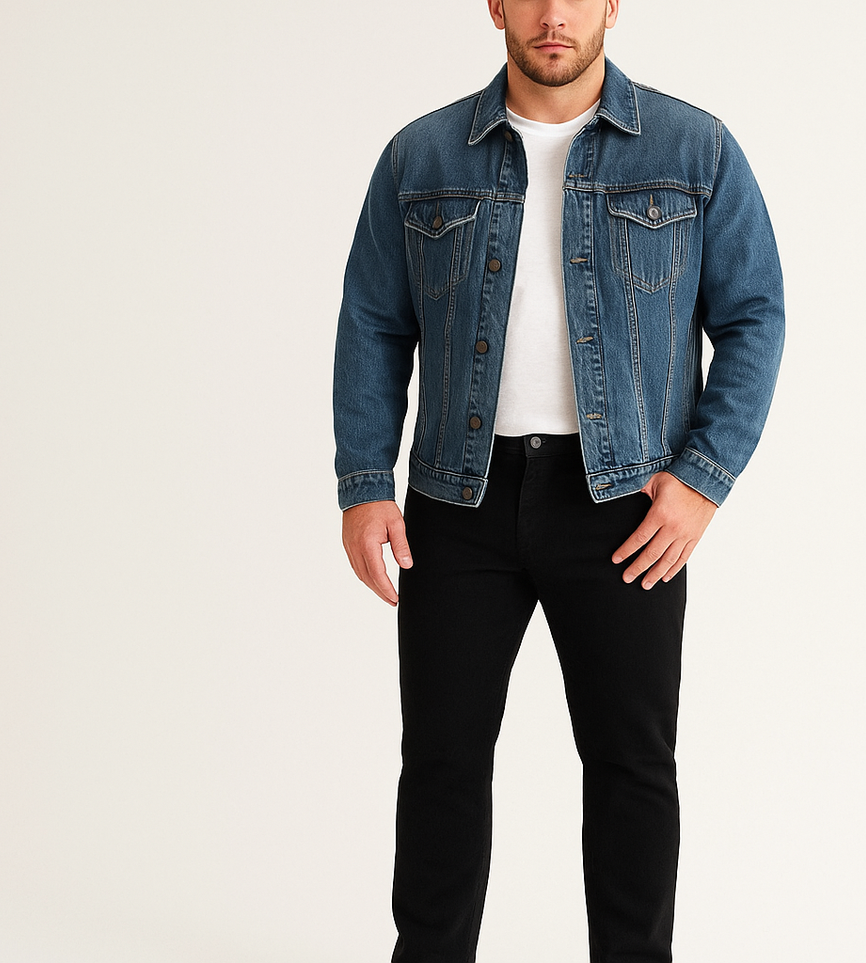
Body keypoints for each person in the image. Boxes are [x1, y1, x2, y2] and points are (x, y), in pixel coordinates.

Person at [332, 1, 783, 959]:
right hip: (456, 501)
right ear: (494, 5)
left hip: (625, 504)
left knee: (631, 766)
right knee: (442, 764)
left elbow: (753, 315)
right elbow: (373, 319)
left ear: (612, 4)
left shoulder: (693, 149)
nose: (552, 16)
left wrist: (701, 479)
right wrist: (365, 480)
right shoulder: (421, 157)